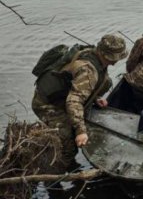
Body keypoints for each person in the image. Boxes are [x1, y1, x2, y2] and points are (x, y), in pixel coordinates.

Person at [32, 34, 128, 167]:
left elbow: (77, 86)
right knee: (68, 143)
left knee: (106, 82)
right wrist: (80, 132)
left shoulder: (92, 54)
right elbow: (73, 101)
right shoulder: (88, 71)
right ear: (109, 57)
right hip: (46, 104)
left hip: (62, 97)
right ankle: (56, 171)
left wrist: (95, 99)